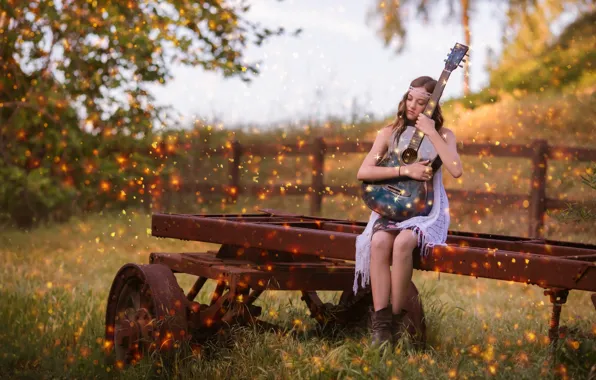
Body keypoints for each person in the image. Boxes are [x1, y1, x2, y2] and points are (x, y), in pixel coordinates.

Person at [354, 76, 463, 347]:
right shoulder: (388, 132)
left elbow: (456, 169)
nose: (412, 106)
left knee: (403, 243)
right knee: (379, 241)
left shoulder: (445, 135)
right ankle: (380, 327)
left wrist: (432, 132)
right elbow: (363, 172)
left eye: (421, 102)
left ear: (432, 106)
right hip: (391, 208)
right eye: (410, 98)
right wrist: (405, 170)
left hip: (425, 211)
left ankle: (397, 318)